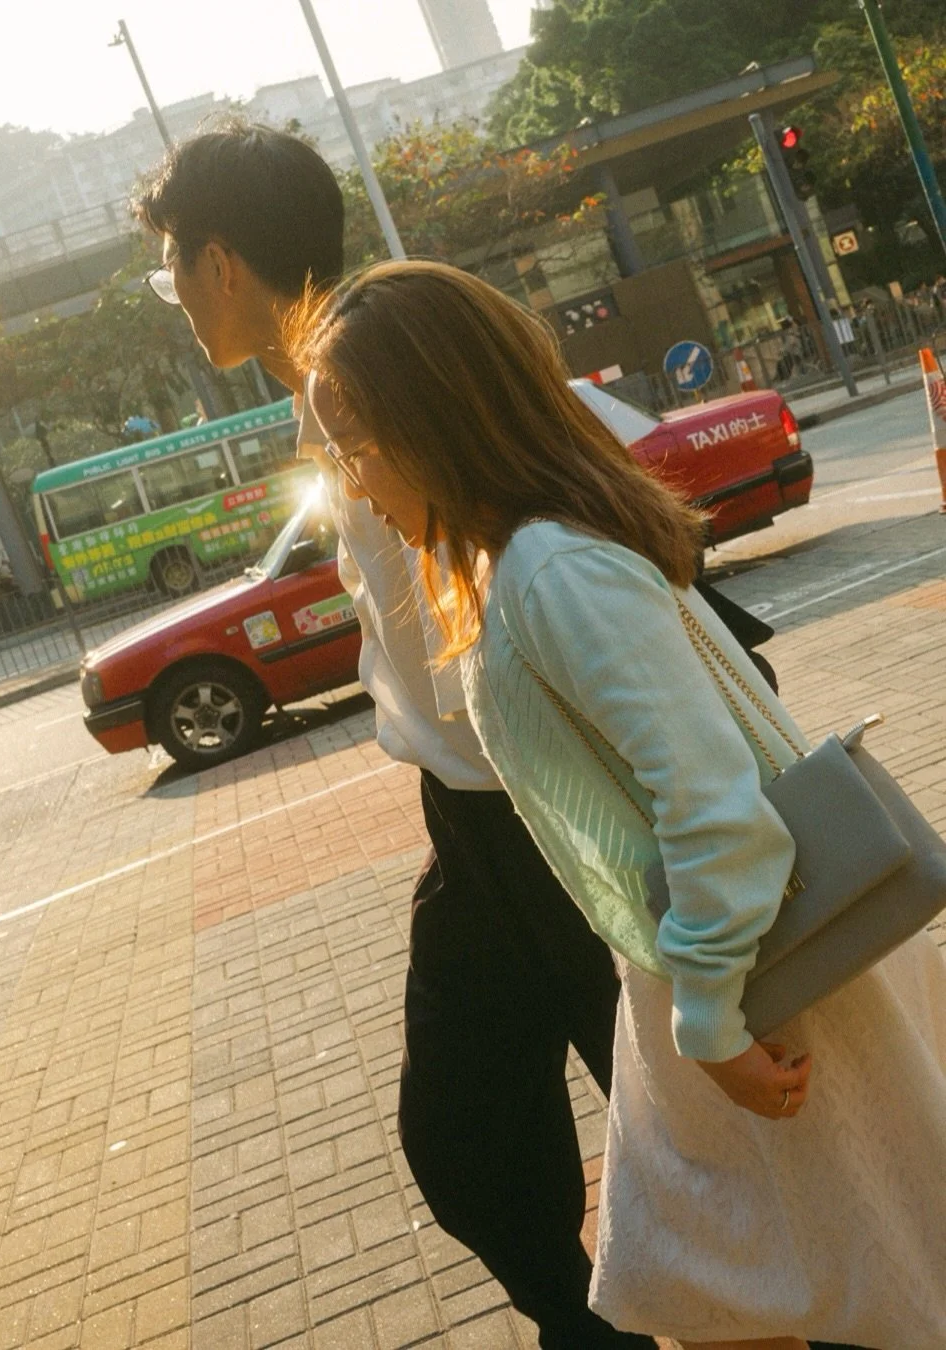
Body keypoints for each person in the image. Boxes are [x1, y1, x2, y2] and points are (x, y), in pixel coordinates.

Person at [294, 258, 946, 1350]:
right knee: (750, 1295)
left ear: (439, 420)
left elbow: (711, 803)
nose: (352, 485)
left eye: (355, 447)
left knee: (805, 1293)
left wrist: (710, 1020)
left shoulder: (552, 571)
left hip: (762, 981)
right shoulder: (533, 558)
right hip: (720, 978)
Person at [132, 125, 651, 1348]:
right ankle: (609, 1324)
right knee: (471, 1135)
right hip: (481, 828)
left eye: (170, 274)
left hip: (544, 817)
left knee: (652, 1111)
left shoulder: (354, 373)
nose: (176, 303)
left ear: (219, 263)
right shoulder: (338, 371)